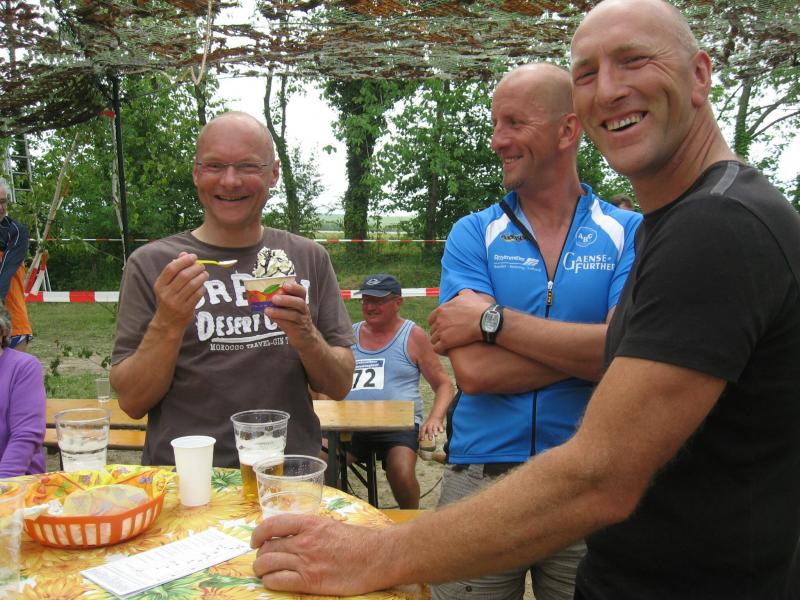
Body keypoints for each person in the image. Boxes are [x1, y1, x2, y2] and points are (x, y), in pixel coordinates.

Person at [247, 2, 800, 599]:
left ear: (700, 75)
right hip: (547, 508)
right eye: (586, 73)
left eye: (634, 60)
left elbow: (600, 473)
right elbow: (477, 374)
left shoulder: (713, 226)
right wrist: (597, 355)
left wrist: (377, 553)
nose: (608, 89)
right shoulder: (683, 221)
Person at [430, 63, 640, 600]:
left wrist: (493, 322)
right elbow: (474, 373)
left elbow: (625, 354)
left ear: (568, 130)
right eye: (495, 124)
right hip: (481, 479)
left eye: (514, 123)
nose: (497, 140)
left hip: (590, 481)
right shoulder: (473, 232)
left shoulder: (630, 231)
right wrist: (594, 352)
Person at [111, 111, 355, 467]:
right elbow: (132, 403)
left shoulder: (308, 258)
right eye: (214, 166)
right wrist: (169, 321)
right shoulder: (152, 264)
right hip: (187, 477)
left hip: (285, 474)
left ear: (273, 174)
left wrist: (305, 335)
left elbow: (340, 384)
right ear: (196, 173)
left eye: (247, 166)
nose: (230, 181)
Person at [344, 273, 453, 509]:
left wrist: (434, 419)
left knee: (401, 471)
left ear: (398, 302)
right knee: (322, 464)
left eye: (378, 301)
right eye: (365, 300)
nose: (370, 307)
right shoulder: (349, 334)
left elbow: (444, 384)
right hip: (352, 423)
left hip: (399, 425)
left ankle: (410, 519)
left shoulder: (413, 335)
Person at [0, 304, 45, 477]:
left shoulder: (23, 367)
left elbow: (25, 436)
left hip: (15, 482)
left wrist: (3, 485)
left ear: (3, 332)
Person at [0, 178, 33, 352]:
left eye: (3, 202)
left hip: (13, 326)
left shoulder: (17, 231)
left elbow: (5, 271)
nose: (1, 208)